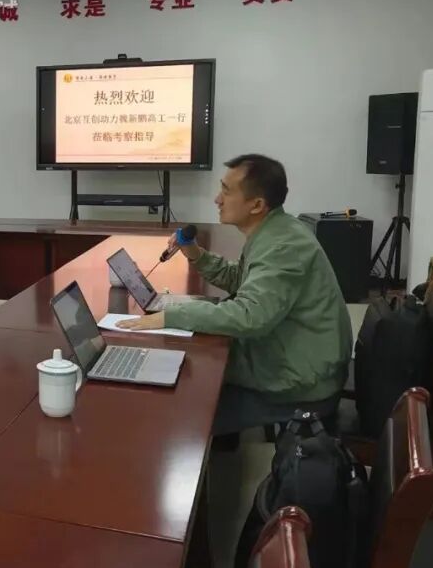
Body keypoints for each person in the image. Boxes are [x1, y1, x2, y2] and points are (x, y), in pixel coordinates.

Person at [118, 154, 351, 435]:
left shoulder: (282, 247)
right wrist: (195, 253)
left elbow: (249, 316)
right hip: (291, 362)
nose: (217, 199)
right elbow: (241, 282)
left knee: (180, 408)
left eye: (227, 192)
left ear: (257, 205)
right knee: (190, 367)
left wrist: (171, 316)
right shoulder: (275, 231)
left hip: (301, 385)